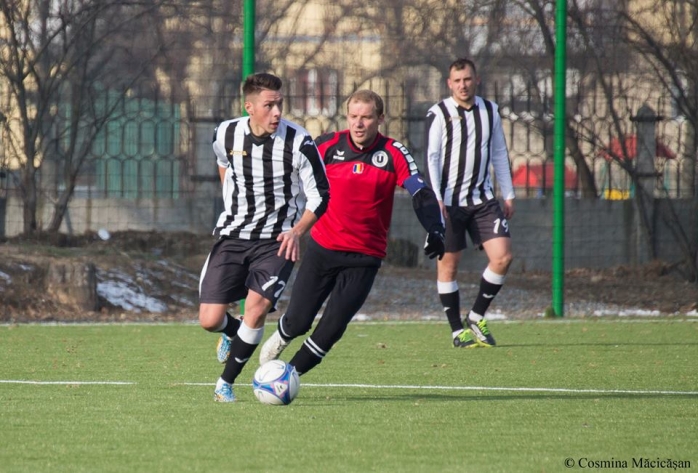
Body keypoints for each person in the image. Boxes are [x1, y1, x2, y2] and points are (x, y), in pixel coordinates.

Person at [254, 89, 445, 375]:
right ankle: (281, 338)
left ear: (380, 118)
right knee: (299, 321)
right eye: (353, 117)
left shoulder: (393, 152)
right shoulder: (327, 145)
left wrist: (435, 227)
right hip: (322, 250)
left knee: (331, 327)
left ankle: (286, 376)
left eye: (366, 117)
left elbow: (420, 192)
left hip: (364, 258)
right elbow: (289, 170)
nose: (358, 124)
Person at [199, 72, 330, 402]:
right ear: (250, 107)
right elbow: (222, 163)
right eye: (269, 106)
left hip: (277, 241)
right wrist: (233, 203)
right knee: (209, 319)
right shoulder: (226, 133)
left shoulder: (299, 143)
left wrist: (297, 231)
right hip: (232, 235)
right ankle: (233, 332)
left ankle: (225, 383)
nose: (277, 112)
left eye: (280, 104)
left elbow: (321, 195)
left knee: (256, 309)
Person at [425, 58, 515, 348]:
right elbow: (432, 157)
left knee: (502, 257)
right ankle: (456, 330)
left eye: (467, 79)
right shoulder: (438, 113)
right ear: (449, 83)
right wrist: (436, 198)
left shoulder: (490, 110)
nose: (462, 85)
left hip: (483, 199)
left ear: (476, 80)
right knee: (449, 266)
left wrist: (509, 192)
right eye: (457, 80)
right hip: (448, 204)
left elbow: (499, 152)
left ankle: (476, 315)